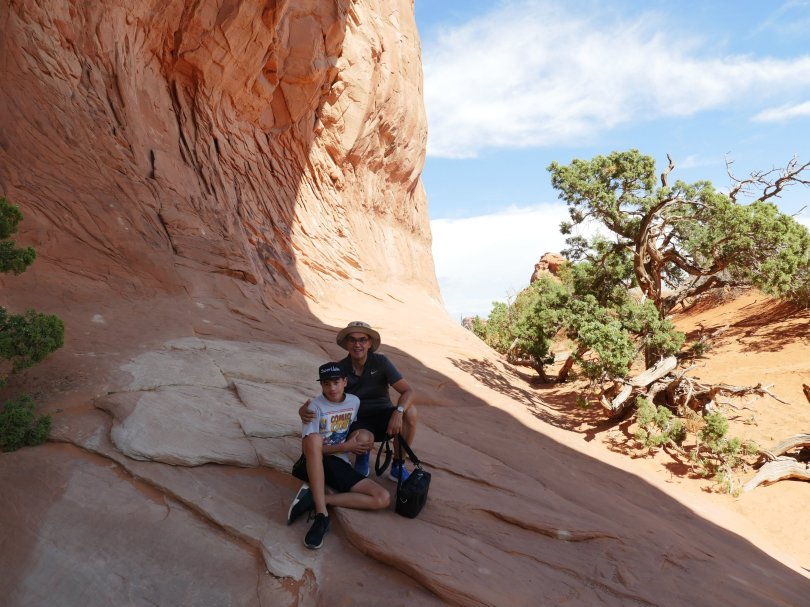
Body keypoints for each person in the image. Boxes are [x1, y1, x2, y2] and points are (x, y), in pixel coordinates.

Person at [287, 362, 390, 550]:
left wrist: (359, 443)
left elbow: (352, 427)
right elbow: (309, 449)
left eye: (336, 382)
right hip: (315, 461)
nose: (332, 388)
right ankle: (322, 515)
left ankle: (317, 499)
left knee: (382, 498)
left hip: (339, 463)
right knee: (314, 439)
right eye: (327, 384)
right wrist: (345, 446)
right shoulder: (314, 408)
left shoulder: (354, 402)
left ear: (345, 382)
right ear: (321, 385)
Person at [299, 321, 417, 482]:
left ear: (369, 343)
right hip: (358, 421)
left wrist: (399, 411)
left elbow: (408, 391)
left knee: (410, 412)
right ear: (347, 343)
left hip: (385, 417)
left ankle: (398, 464)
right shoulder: (340, 368)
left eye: (362, 339)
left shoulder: (381, 362)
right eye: (352, 340)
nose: (357, 344)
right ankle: (362, 457)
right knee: (362, 438)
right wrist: (304, 410)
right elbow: (328, 397)